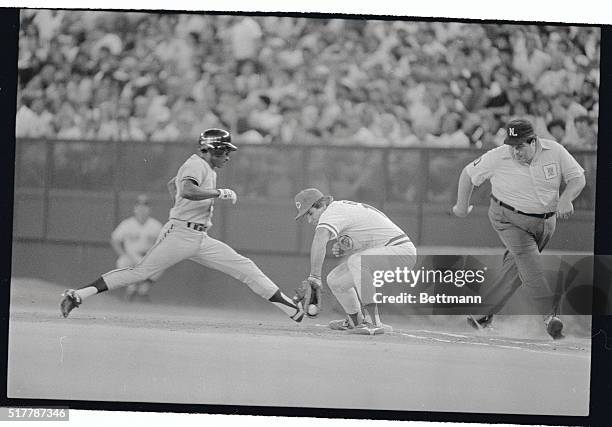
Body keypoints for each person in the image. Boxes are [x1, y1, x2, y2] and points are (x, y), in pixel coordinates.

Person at [60, 128, 305, 322]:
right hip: (180, 233)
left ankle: (292, 310)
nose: (227, 156)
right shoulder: (196, 164)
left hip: (199, 237)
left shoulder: (204, 166)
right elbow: (186, 189)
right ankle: (77, 295)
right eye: (223, 151)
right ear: (209, 150)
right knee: (140, 272)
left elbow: (173, 186)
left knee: (245, 267)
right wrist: (216, 194)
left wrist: (182, 204)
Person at [452, 118, 586, 340]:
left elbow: (577, 178)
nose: (515, 151)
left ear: (533, 141)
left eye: (520, 145)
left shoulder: (556, 151)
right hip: (508, 217)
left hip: (546, 222)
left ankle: (482, 315)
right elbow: (468, 174)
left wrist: (566, 198)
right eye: (512, 145)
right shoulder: (498, 155)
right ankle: (550, 318)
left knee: (516, 268)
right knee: (528, 261)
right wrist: (462, 206)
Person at [293, 188, 417, 335]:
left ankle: (373, 323)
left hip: (401, 252)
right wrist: (346, 247)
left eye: (310, 213)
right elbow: (372, 232)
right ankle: (356, 321)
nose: (309, 220)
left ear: (322, 205)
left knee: (358, 261)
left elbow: (319, 240)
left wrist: (314, 277)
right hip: (390, 250)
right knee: (335, 280)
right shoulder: (339, 211)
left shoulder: (332, 211)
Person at [110, 194, 163, 302]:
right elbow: (114, 240)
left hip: (147, 257)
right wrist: (122, 253)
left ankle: (143, 291)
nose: (142, 209)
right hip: (131, 256)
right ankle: (132, 289)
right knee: (122, 262)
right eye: (139, 206)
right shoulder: (127, 224)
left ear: (150, 209)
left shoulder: (156, 225)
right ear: (135, 208)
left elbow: (163, 244)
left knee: (162, 263)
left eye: (145, 206)